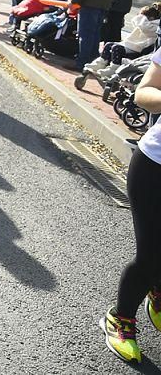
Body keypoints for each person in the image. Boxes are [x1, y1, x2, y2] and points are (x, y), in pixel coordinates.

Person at [100, 49, 161, 364]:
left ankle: (157, 290)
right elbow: (144, 93)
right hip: (155, 166)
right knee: (151, 255)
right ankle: (120, 319)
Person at [85, 2, 161, 78]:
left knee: (117, 48)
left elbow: (143, 26)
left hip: (138, 48)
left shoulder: (154, 27)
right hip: (130, 45)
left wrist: (142, 17)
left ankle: (113, 68)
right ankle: (100, 63)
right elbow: (135, 21)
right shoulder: (145, 23)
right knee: (109, 44)